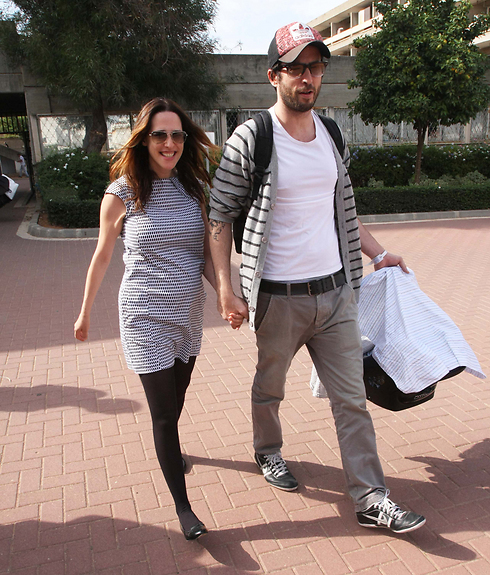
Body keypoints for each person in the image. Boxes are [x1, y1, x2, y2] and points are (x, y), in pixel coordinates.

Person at [208, 22, 426, 534]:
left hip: (335, 294)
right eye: (296, 68)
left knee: (352, 400)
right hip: (277, 299)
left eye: (316, 67)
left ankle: (371, 498)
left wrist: (379, 254)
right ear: (274, 75)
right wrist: (226, 288)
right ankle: (268, 450)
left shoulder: (331, 134)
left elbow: (344, 210)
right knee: (270, 387)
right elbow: (219, 215)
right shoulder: (253, 137)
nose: (308, 78)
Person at [74, 97, 241, 540]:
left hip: (188, 315)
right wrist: (85, 312)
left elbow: (205, 251)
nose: (170, 143)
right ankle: (184, 509)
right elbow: (102, 255)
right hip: (144, 315)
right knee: (164, 415)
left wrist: (226, 294)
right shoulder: (123, 192)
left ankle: (172, 450)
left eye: (177, 135)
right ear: (144, 140)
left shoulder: (194, 189)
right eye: (160, 135)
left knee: (176, 401)